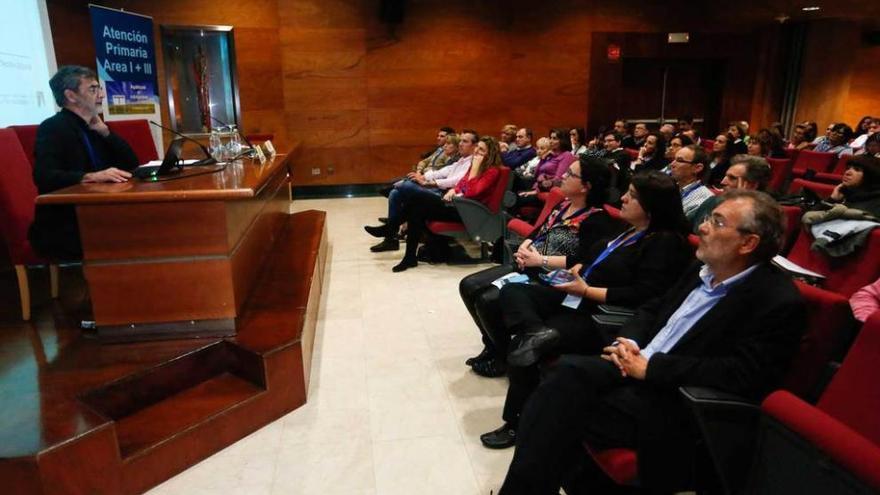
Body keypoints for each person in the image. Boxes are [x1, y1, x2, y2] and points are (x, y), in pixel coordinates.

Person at [497, 190, 806, 494]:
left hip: (674, 396)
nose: (702, 227)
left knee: (555, 410)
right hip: (635, 365)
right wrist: (628, 339)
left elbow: (743, 374)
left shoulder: (776, 300)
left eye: (718, 222)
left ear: (748, 243)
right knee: (562, 375)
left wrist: (652, 368)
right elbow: (652, 308)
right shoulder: (704, 270)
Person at [479, 171, 692, 449]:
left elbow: (645, 294)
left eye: (633, 196)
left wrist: (586, 290)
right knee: (514, 293)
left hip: (600, 312)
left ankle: (516, 423)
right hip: (576, 293)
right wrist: (580, 269)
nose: (623, 199)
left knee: (527, 349)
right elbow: (594, 257)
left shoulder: (664, 242)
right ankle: (534, 332)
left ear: (652, 207)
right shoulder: (630, 228)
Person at [459, 156, 622, 377]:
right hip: (530, 265)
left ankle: (504, 355)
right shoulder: (564, 204)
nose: (563, 176)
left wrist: (540, 260)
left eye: (571, 174)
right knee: (468, 285)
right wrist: (525, 248)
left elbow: (583, 259)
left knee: (487, 300)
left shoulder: (598, 219)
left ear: (586, 186)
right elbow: (539, 232)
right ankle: (492, 344)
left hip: (552, 276)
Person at [29, 65, 140, 261]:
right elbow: (44, 176)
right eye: (93, 89)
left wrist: (106, 133)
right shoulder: (53, 128)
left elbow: (132, 163)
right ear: (71, 96)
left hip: (99, 212)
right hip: (66, 223)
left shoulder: (94, 127)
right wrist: (88, 177)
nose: (101, 95)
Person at [391, 136, 504, 272]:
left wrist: (473, 171)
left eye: (481, 150)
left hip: (470, 213)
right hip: (458, 205)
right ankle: (409, 257)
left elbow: (472, 192)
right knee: (417, 208)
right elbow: (461, 184)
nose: (477, 152)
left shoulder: (492, 171)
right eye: (477, 148)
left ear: (490, 154)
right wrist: (453, 190)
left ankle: (391, 228)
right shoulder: (478, 166)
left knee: (417, 198)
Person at [365, 130, 477, 252]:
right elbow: (442, 172)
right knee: (395, 193)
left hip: (447, 198)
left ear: (474, 146)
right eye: (460, 141)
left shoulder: (473, 162)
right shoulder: (461, 160)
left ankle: (391, 226)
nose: (461, 144)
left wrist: (427, 183)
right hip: (440, 192)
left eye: (465, 141)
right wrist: (423, 177)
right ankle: (390, 238)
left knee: (406, 187)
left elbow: (455, 181)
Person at [690, 154, 772, 230]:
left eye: (732, 178)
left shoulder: (763, 216)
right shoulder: (712, 201)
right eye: (725, 176)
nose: (722, 182)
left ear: (752, 185)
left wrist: (740, 203)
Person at [516, 128, 575, 206]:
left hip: (547, 190)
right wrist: (543, 159)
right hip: (536, 185)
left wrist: (537, 190)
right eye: (550, 138)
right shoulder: (551, 155)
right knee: (511, 188)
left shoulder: (566, 155)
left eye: (554, 138)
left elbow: (558, 180)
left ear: (563, 140)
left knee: (514, 198)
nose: (551, 141)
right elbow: (536, 174)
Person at [670, 144, 715, 222]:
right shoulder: (670, 187)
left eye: (680, 160)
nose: (672, 164)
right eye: (674, 159)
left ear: (697, 168)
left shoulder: (705, 200)